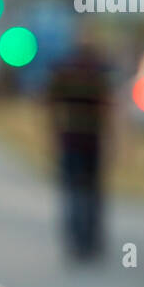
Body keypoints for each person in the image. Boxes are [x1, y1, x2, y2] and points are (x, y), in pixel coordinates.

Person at [46, 30, 111, 262]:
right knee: (91, 192)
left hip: (70, 139)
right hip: (92, 139)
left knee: (73, 191)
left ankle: (76, 240)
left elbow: (51, 106)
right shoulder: (99, 71)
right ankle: (90, 241)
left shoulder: (64, 70)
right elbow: (109, 108)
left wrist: (52, 137)